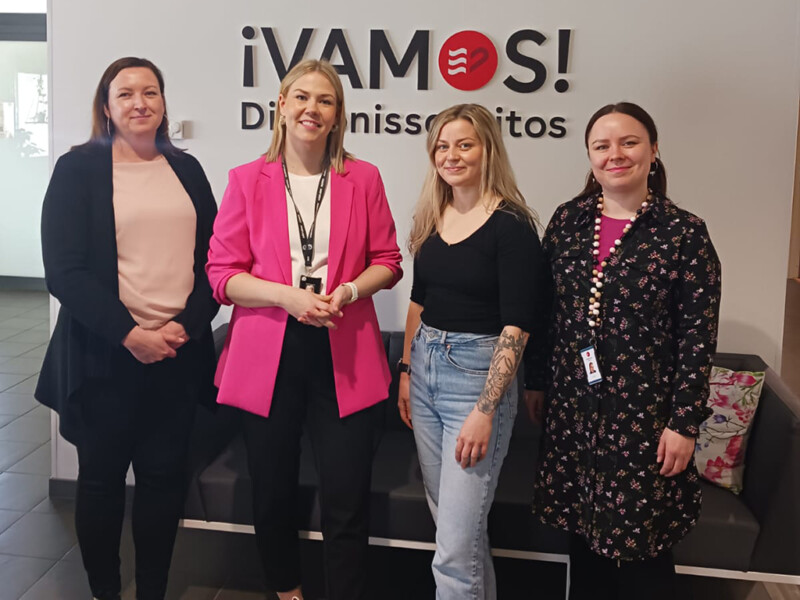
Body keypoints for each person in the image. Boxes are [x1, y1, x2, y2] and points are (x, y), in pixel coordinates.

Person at [206, 59, 402, 600]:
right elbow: (222, 277)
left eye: (325, 100)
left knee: (347, 494)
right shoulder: (246, 180)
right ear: (281, 107)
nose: (311, 109)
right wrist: (286, 296)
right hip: (268, 350)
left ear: (338, 115)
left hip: (345, 346)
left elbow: (387, 259)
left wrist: (349, 290)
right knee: (270, 489)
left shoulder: (362, 178)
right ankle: (286, 591)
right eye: (301, 97)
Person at [36, 57, 219, 600]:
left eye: (151, 92)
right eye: (126, 93)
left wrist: (185, 327)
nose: (140, 102)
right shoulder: (78, 170)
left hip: (176, 354)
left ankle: (153, 591)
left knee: (164, 482)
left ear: (164, 103)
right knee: (100, 483)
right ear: (107, 106)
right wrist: (129, 334)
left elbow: (217, 260)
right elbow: (63, 270)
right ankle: (106, 592)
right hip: (104, 356)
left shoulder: (186, 168)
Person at [525, 102, 721, 600]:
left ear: (653, 151)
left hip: (644, 417)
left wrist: (684, 422)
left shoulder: (683, 234)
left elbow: (698, 337)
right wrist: (536, 381)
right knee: (582, 538)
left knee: (641, 549)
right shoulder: (568, 220)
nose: (615, 154)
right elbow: (546, 311)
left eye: (628, 142)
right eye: (601, 145)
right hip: (573, 409)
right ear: (589, 156)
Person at [398, 103, 543, 599]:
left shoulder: (512, 225)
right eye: (443, 145)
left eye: (465, 144)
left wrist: (486, 409)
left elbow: (517, 326)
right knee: (456, 532)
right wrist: (406, 372)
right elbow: (419, 300)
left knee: (454, 547)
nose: (451, 155)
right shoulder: (432, 217)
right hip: (426, 370)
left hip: (476, 380)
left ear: (488, 150)